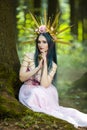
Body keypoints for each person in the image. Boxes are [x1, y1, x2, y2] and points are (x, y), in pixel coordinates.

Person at [18, 15, 87, 128]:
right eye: (39, 42)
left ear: (50, 44)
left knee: (43, 92)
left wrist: (45, 64)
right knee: (36, 92)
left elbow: (44, 84)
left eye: (44, 42)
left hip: (45, 91)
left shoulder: (53, 65)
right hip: (29, 91)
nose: (41, 45)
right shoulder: (29, 57)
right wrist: (37, 68)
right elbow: (21, 77)